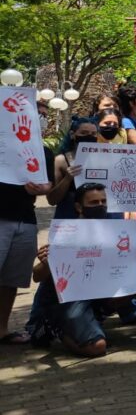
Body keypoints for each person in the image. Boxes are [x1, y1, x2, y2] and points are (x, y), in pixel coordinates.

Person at [25, 183, 136, 356]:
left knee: (126, 292)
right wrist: (47, 262)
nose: (100, 206)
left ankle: (93, 318)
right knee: (97, 348)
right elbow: (37, 277)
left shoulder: (116, 234)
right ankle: (53, 327)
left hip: (97, 295)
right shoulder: (66, 233)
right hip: (67, 299)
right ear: (78, 207)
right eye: (93, 203)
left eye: (103, 202)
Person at [0, 138, 52, 345]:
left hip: (26, 220)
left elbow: (49, 184)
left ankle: (2, 329)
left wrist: (42, 188)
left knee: (11, 279)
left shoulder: (41, 150)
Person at [47, 116, 97, 219]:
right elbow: (51, 200)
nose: (89, 136)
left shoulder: (104, 160)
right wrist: (67, 179)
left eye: (93, 134)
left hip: (97, 218)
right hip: (68, 218)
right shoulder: (61, 161)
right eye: (83, 133)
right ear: (72, 134)